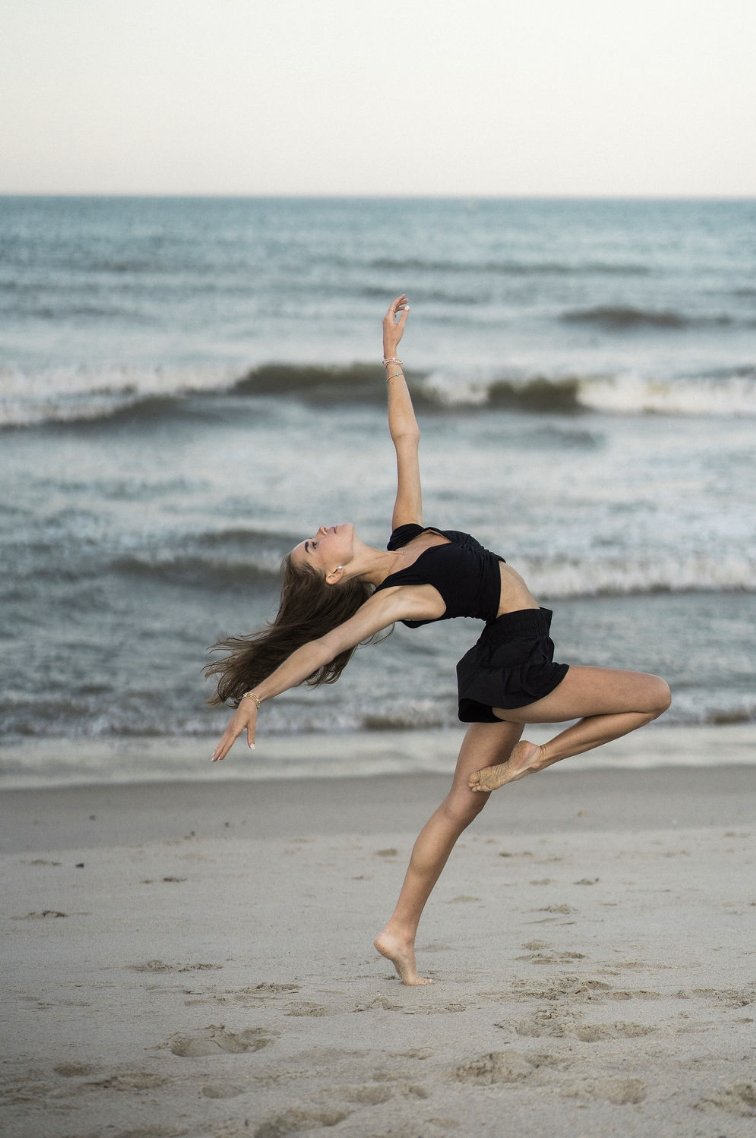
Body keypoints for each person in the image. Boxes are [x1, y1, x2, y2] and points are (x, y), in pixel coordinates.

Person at [208, 295, 671, 986]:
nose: (319, 530)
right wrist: (258, 693)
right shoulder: (398, 595)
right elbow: (324, 647)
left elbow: (407, 440)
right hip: (514, 665)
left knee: (459, 805)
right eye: (312, 545)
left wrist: (390, 357)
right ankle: (538, 758)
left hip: (497, 660)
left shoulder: (406, 538)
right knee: (654, 695)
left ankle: (398, 933)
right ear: (332, 573)